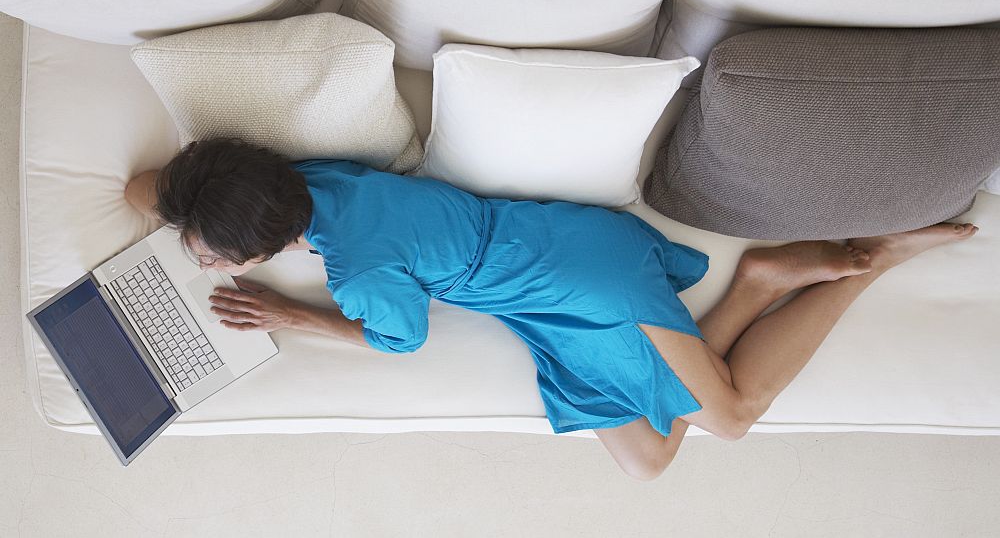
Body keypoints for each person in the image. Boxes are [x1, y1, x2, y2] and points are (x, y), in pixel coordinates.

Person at [125, 137, 978, 480]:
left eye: (211, 253)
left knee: (732, 418)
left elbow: (400, 341)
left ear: (269, 244)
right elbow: (145, 191)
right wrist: (199, 213)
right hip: (546, 278)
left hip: (592, 289)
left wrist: (292, 316)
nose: (200, 259)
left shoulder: (360, 273)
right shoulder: (306, 181)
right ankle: (754, 288)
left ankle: (861, 266)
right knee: (647, 460)